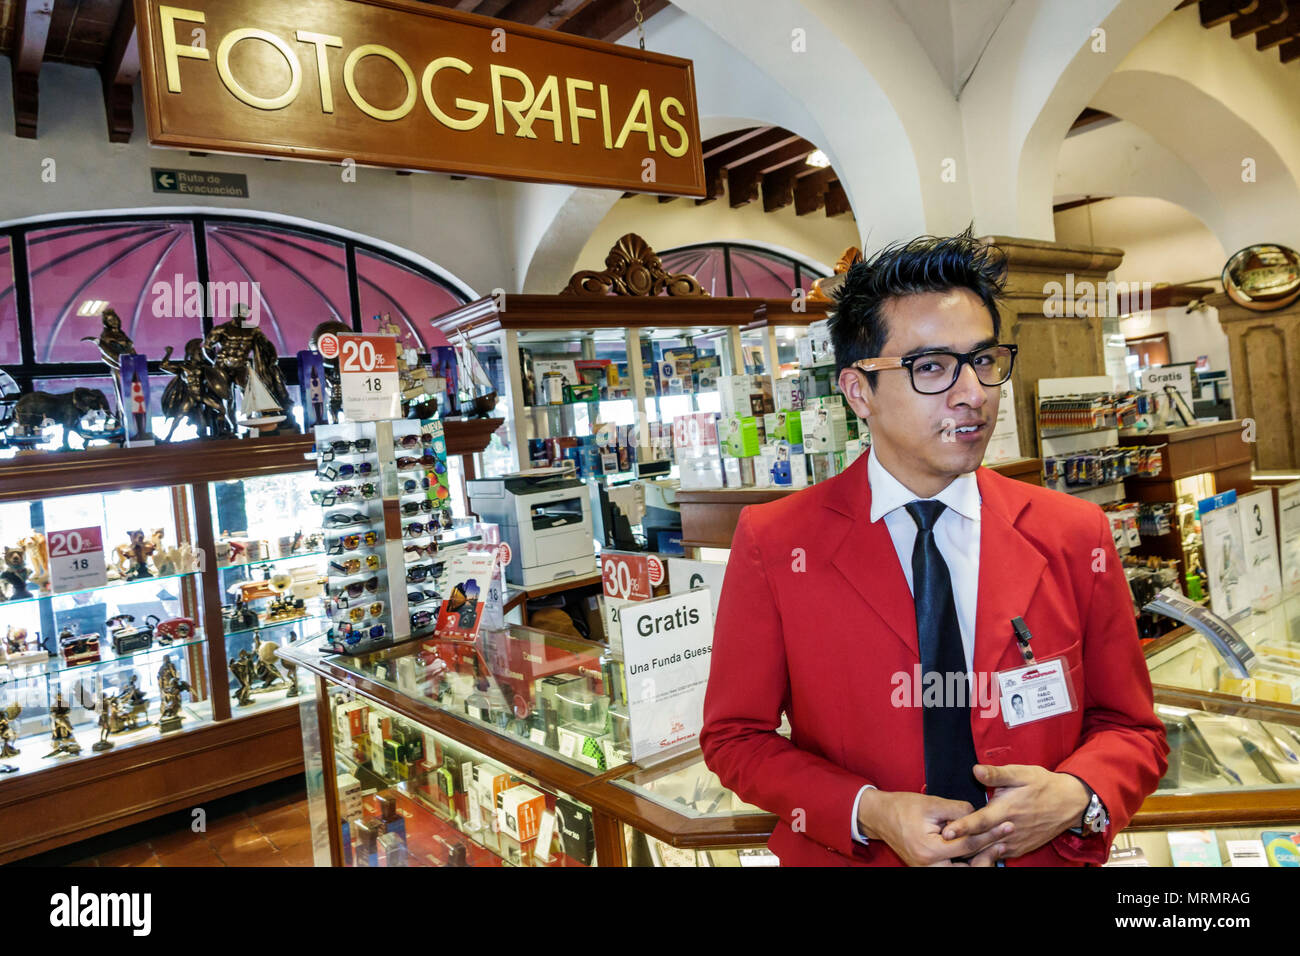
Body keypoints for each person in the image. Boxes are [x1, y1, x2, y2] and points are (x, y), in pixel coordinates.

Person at [701, 229, 1168, 867]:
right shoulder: (778, 541)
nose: (972, 392)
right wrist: (868, 809)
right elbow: (736, 738)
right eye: (930, 368)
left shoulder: (1072, 532)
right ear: (858, 391)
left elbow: (1132, 727)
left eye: (983, 360)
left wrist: (1078, 794)